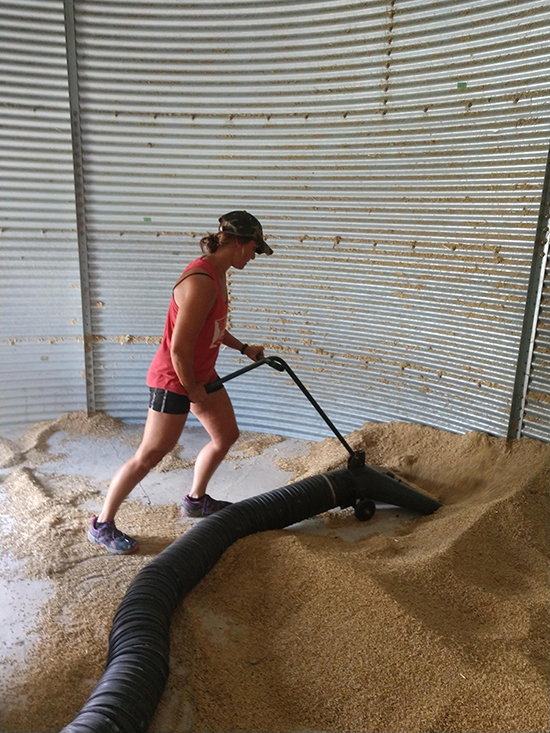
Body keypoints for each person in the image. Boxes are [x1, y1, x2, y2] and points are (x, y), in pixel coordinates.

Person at [88, 211, 273, 554]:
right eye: (253, 248)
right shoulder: (201, 280)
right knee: (151, 453)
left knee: (225, 435)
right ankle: (102, 524)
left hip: (198, 375)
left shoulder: (219, 274)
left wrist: (243, 347)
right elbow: (178, 349)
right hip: (174, 379)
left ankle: (196, 500)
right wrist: (191, 391)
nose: (254, 255)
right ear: (236, 242)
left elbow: (213, 325)